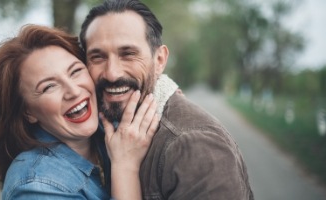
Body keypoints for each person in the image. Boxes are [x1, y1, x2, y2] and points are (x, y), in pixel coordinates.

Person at [79, 0, 254, 199]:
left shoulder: (193, 145)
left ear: (159, 60)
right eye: (98, 57)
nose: (111, 73)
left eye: (128, 54)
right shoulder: (100, 128)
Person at [0, 24, 159, 200]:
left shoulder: (108, 126)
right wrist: (125, 167)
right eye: (49, 86)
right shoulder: (34, 186)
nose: (73, 91)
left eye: (75, 71)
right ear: (28, 112)